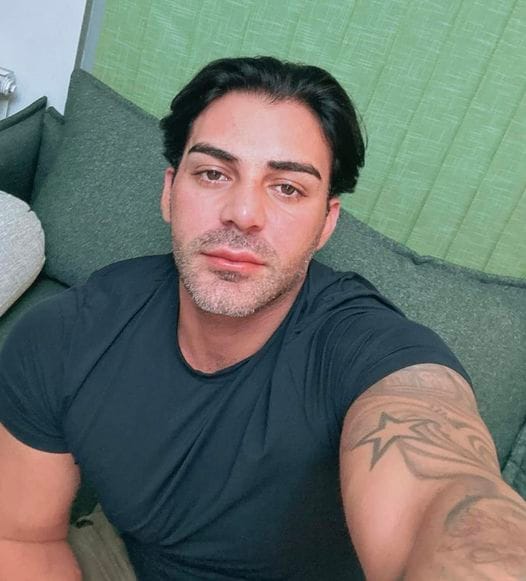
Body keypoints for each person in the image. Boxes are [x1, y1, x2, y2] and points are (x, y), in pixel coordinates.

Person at [0, 56, 525, 581]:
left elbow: (446, 500)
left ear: (326, 223)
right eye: (213, 174)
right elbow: (22, 537)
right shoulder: (65, 335)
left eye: (287, 187)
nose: (243, 213)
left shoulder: (368, 353)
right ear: (169, 191)